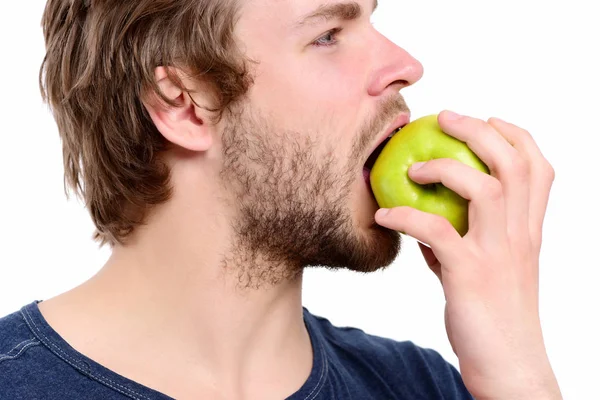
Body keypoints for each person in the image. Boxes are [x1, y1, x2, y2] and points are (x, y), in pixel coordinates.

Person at [0, 0, 562, 398]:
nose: (405, 67)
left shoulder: (430, 387)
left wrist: (521, 377)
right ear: (183, 103)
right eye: (327, 34)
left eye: (370, 17)